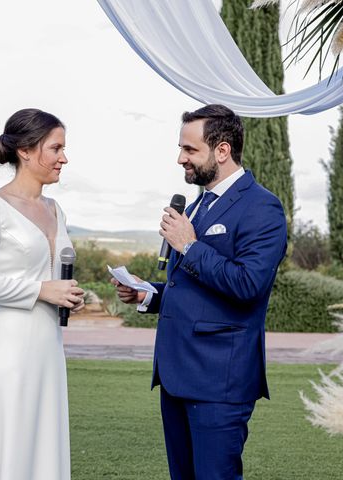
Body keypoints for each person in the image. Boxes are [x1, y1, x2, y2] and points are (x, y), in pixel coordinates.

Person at [113, 104, 287, 480]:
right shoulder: (197, 206)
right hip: (176, 376)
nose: (180, 159)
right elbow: (192, 288)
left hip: (219, 381)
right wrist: (148, 295)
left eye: (190, 150)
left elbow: (247, 285)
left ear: (221, 150)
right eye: (181, 148)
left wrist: (189, 246)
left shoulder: (263, 208)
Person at [0, 108, 85, 480]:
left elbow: (50, 271)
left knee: (42, 443)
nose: (64, 158)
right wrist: (41, 290)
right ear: (25, 151)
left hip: (47, 347)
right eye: (56, 148)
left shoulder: (55, 209)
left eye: (64, 149)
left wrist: (68, 293)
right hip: (7, 347)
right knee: (6, 445)